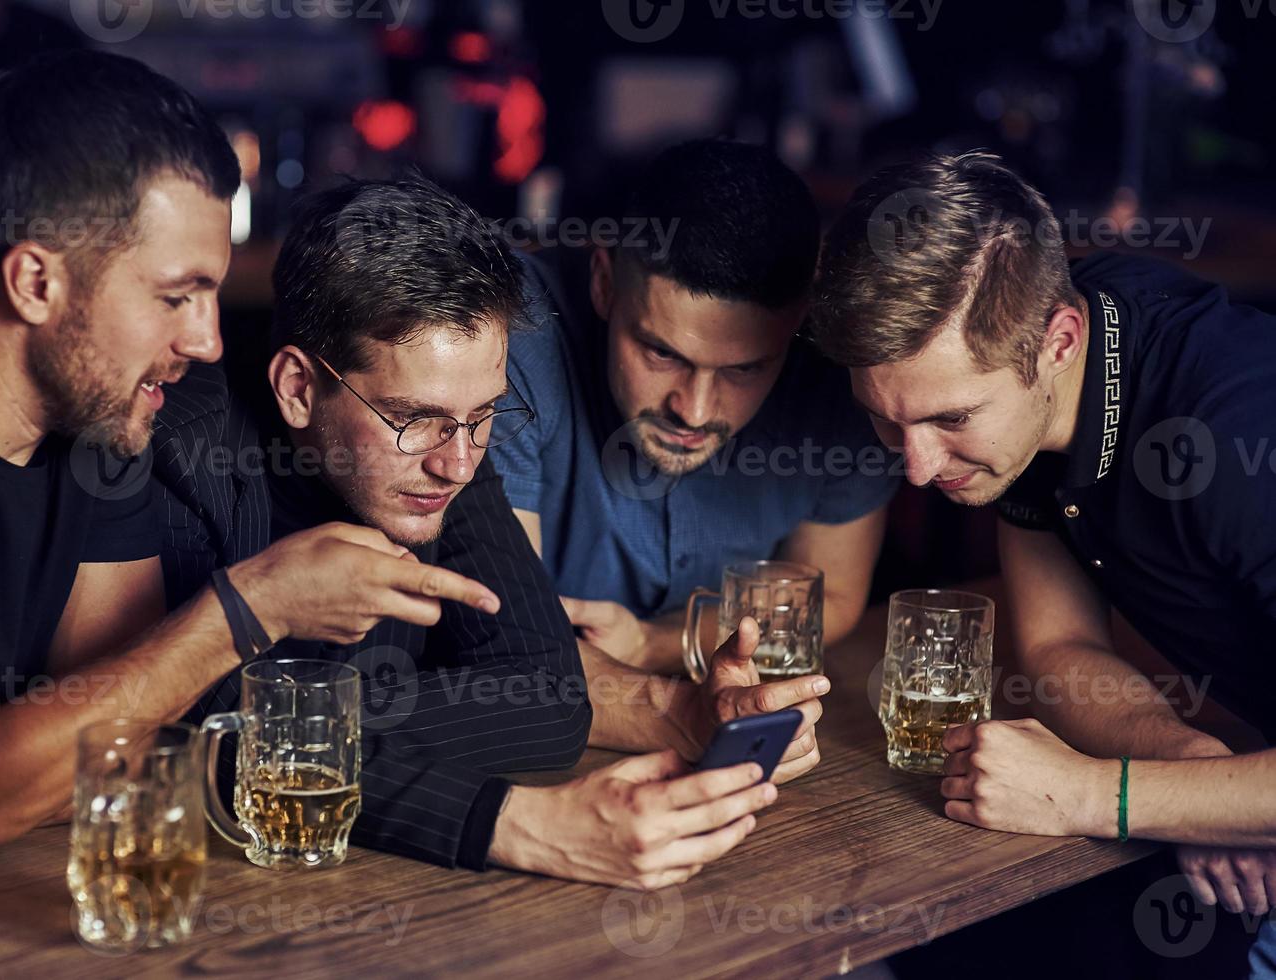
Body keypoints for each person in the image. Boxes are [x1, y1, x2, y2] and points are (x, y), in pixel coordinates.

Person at [0, 52, 493, 880]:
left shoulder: (102, 425)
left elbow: (123, 740)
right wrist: (254, 604)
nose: (207, 341)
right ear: (36, 282)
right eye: (175, 296)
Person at [150, 175, 800, 889]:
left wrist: (288, 729)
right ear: (300, 388)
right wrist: (512, 824)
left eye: (484, 414)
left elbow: (550, 701)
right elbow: (185, 742)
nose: (457, 463)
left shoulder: (447, 445)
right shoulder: (183, 448)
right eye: (412, 418)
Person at [809, 149, 1276, 974]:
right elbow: (1061, 647)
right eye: (888, 421)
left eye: (950, 416)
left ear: (1057, 341)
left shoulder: (1236, 431)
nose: (915, 467)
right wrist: (1194, 781)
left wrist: (1099, 797)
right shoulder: (1035, 388)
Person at [490, 139, 898, 681]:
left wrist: (653, 644)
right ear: (605, 283)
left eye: (744, 369)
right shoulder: (505, 334)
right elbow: (510, 640)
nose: (694, 411)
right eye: (662, 353)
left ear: (800, 320)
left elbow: (832, 595)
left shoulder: (841, 369)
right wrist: (685, 709)